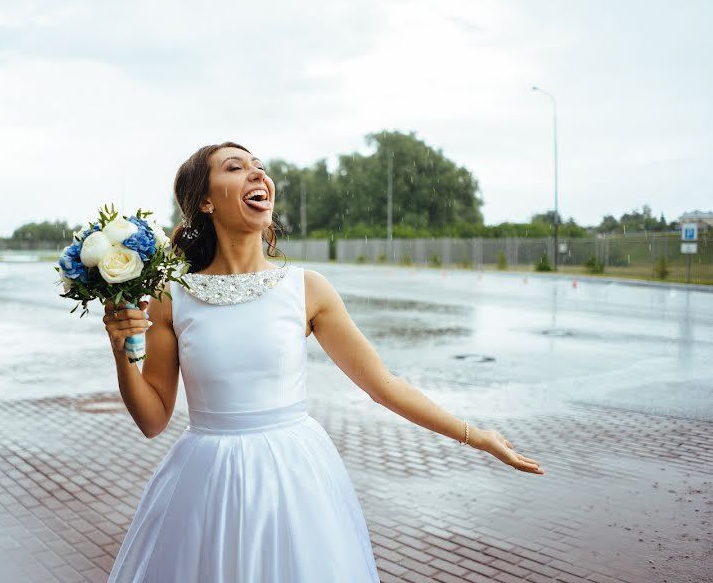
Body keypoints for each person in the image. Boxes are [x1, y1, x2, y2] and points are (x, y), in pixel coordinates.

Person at [103, 142, 544, 583]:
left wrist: (477, 436)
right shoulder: (171, 297)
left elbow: (383, 385)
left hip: (294, 479)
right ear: (204, 201)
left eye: (260, 167)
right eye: (236, 168)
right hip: (204, 481)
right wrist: (122, 350)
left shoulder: (307, 289)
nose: (257, 175)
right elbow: (153, 420)